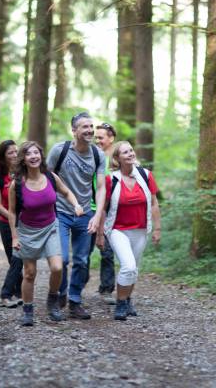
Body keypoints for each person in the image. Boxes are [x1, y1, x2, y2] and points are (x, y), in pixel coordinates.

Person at [8, 141, 83, 326]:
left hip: (51, 227)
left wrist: (76, 204)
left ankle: (52, 301)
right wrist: (15, 236)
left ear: (41, 156)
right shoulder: (16, 184)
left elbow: (66, 192)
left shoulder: (50, 176)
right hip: (27, 231)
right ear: (23, 160)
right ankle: (27, 310)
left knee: (58, 267)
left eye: (36, 153)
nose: (33, 156)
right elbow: (11, 212)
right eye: (28, 154)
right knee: (29, 273)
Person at [47, 112, 106, 320]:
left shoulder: (98, 155)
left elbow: (100, 188)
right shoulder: (59, 150)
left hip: (85, 214)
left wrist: (97, 216)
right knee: (62, 259)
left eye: (91, 126)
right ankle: (59, 294)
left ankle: (74, 301)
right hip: (60, 212)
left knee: (82, 260)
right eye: (84, 127)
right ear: (74, 130)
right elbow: (46, 176)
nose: (90, 130)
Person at [97, 141, 161, 321]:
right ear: (117, 158)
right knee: (128, 266)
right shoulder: (112, 179)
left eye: (131, 150)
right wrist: (100, 234)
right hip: (118, 230)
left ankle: (127, 299)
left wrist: (157, 228)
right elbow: (103, 208)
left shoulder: (146, 175)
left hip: (140, 230)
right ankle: (120, 303)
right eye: (125, 152)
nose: (130, 154)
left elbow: (155, 203)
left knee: (134, 269)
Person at [0, 140, 23, 308]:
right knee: (14, 259)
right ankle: (8, 294)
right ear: (3, 156)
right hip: (6, 222)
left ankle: (16, 293)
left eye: (17, 151)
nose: (15, 155)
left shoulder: (23, 172)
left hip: (24, 222)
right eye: (10, 152)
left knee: (19, 258)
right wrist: (12, 217)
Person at [91, 123, 117, 303]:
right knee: (83, 251)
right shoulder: (90, 155)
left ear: (111, 138)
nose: (98, 140)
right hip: (90, 207)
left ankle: (107, 288)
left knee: (107, 250)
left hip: (111, 209)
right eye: (96, 137)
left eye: (101, 137)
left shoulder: (117, 158)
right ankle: (75, 287)